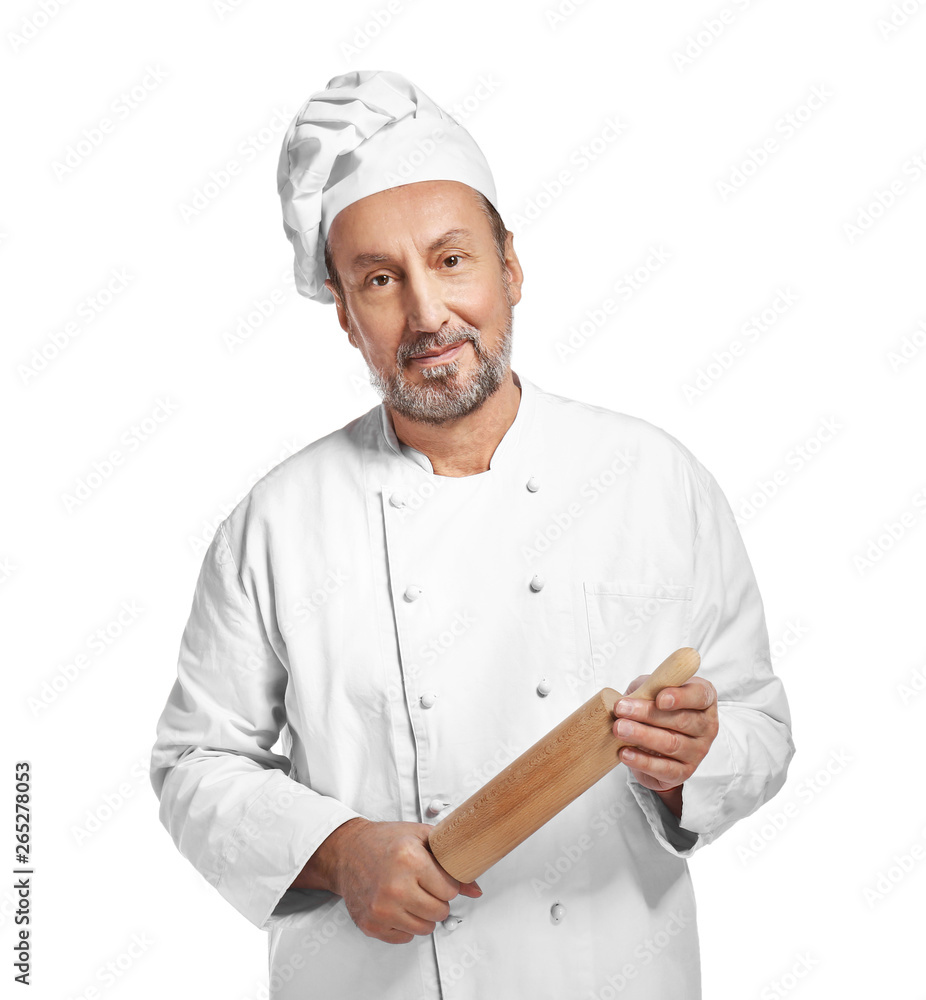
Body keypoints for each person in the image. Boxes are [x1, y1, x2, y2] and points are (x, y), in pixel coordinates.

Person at [150, 69, 795, 999]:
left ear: (512, 268)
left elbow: (759, 726)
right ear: (344, 314)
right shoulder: (276, 524)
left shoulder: (654, 480)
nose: (427, 315)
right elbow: (194, 764)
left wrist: (696, 759)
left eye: (452, 260)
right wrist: (338, 853)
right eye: (380, 280)